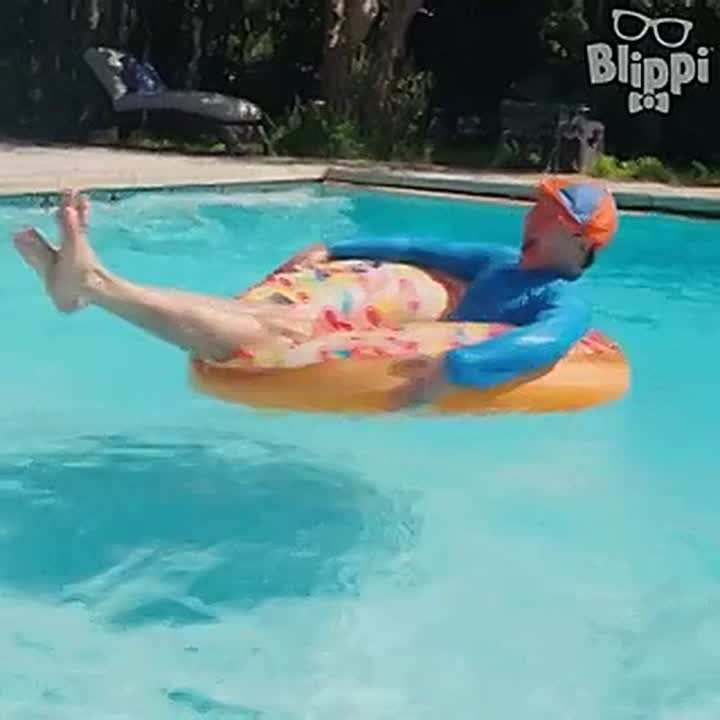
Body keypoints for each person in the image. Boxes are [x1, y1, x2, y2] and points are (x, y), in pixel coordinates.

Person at [13, 178, 618, 409]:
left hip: (425, 349)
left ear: (579, 240)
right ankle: (90, 286)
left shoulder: (562, 300)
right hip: (388, 321)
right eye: (535, 207)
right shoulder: (499, 262)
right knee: (262, 315)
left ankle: (93, 285)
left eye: (546, 216)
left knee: (270, 336)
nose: (529, 219)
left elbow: (548, 343)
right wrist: (334, 249)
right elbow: (418, 246)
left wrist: (459, 368)